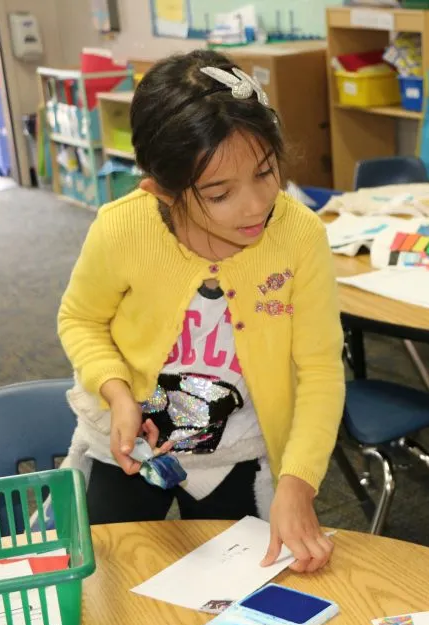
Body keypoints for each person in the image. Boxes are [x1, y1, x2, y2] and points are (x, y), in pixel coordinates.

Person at [58, 50, 344, 572]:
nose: (256, 204)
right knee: (100, 577)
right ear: (161, 191)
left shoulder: (299, 235)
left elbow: (321, 371)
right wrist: (117, 393)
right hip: (127, 447)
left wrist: (298, 483)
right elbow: (80, 319)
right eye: (219, 194)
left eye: (266, 172)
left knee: (250, 588)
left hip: (236, 452)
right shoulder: (123, 228)